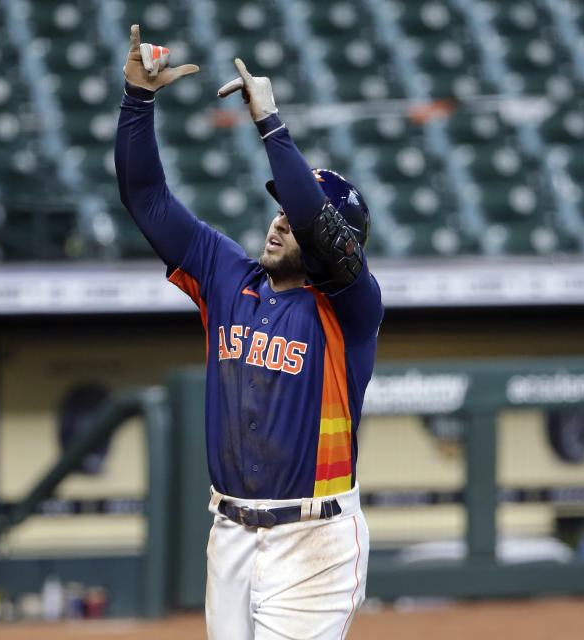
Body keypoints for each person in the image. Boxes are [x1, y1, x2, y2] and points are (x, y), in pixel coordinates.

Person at [115, 26, 383, 639]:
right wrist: (137, 100)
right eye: (279, 208)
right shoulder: (226, 274)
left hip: (315, 538)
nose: (280, 219)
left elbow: (315, 219)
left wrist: (271, 125)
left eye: (295, 216)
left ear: (333, 243)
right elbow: (146, 198)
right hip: (230, 533)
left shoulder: (351, 309)